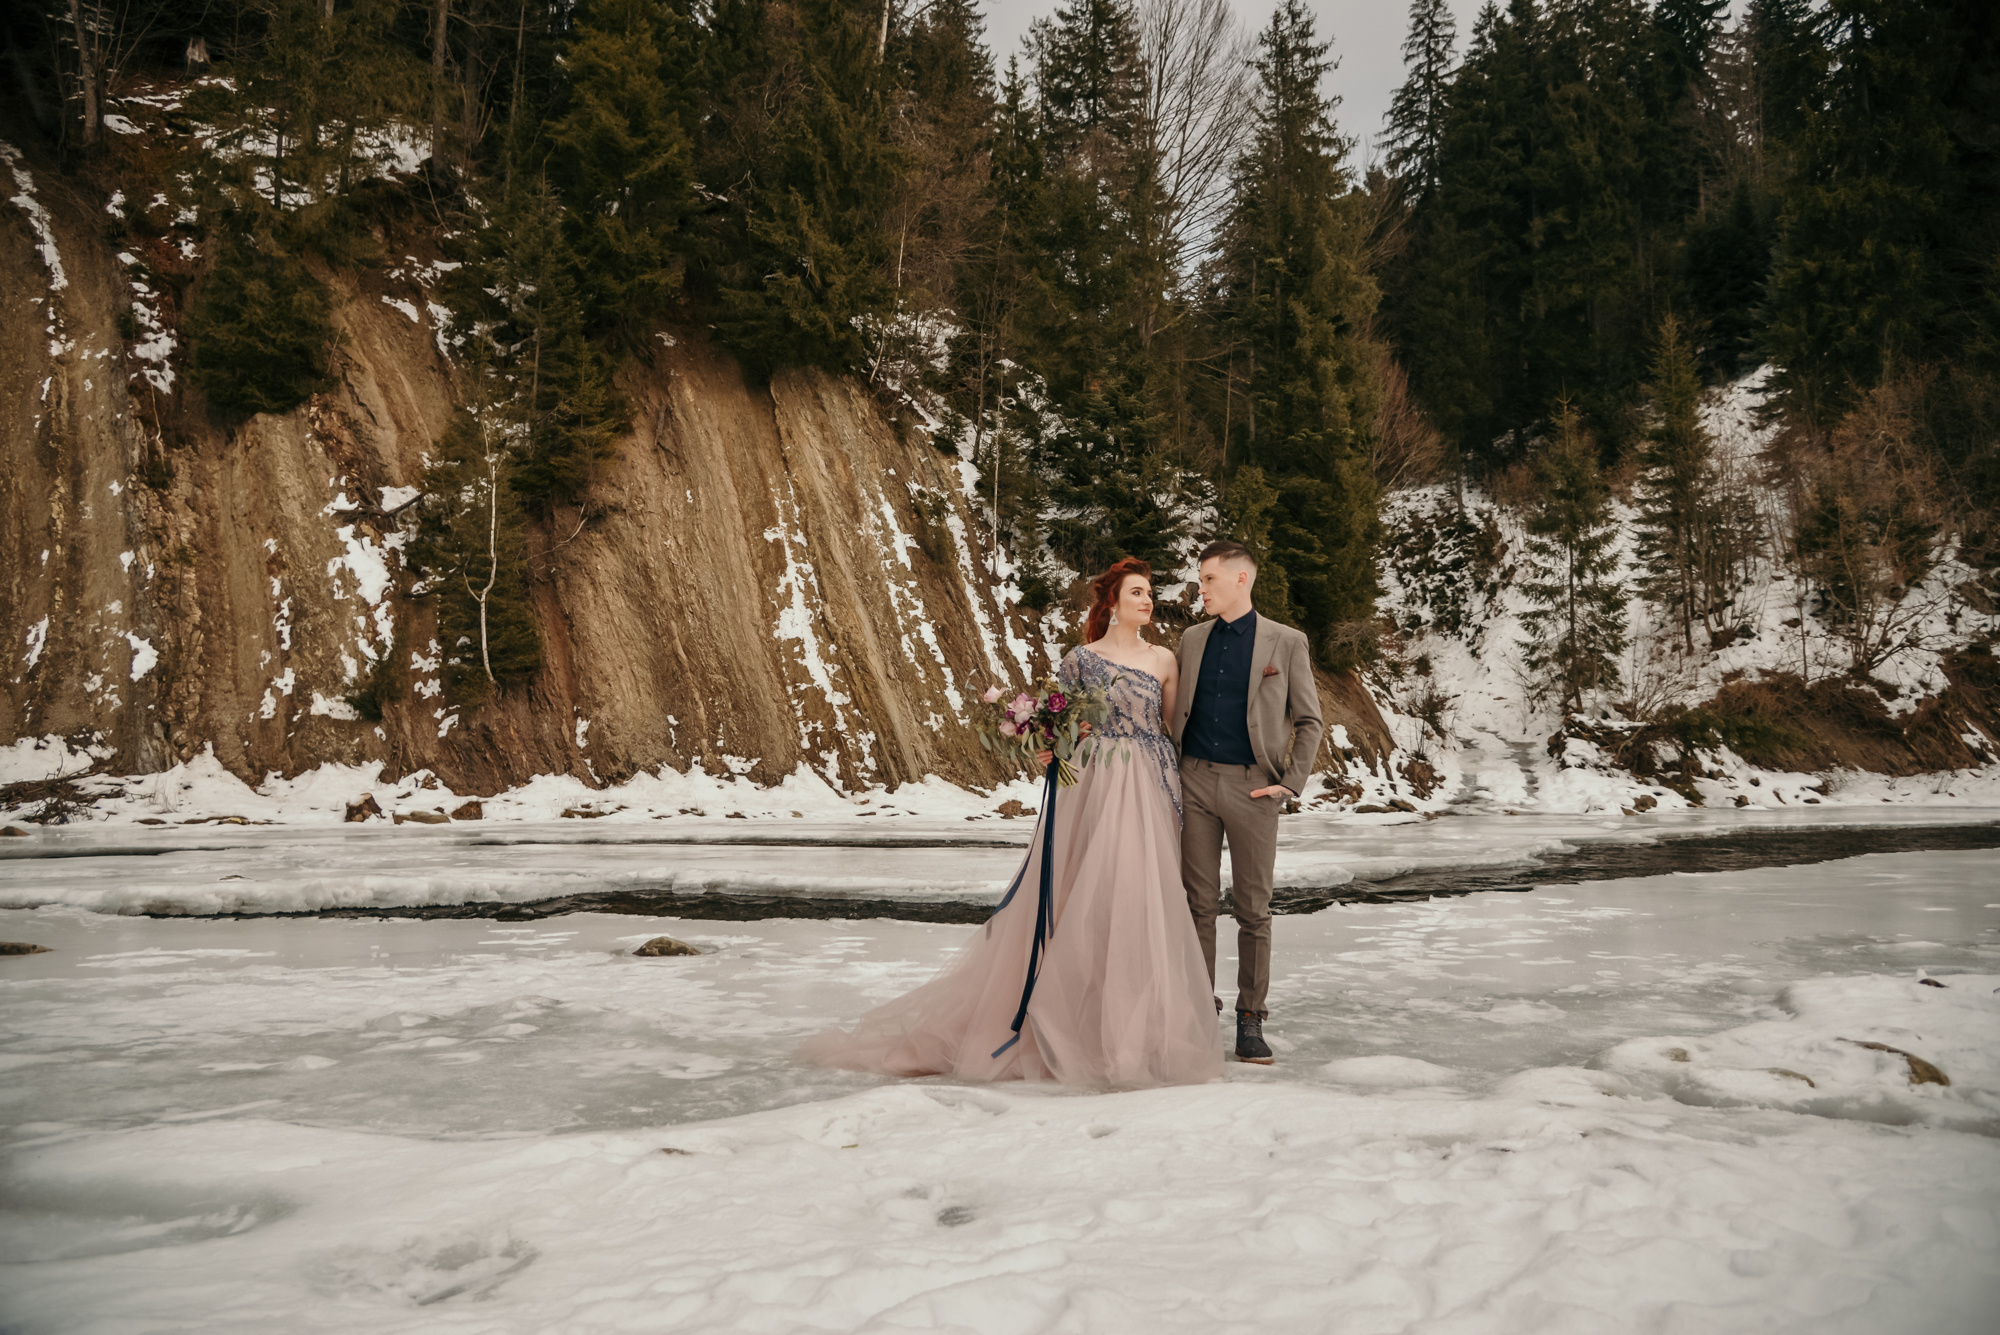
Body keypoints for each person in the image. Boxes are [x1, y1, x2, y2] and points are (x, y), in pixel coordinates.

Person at [800, 557, 1222, 1088]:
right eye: (1137, 592)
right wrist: (1048, 747)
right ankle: (1069, 1024)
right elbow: (1064, 725)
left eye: (1149, 592)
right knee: (1081, 892)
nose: (1148, 600)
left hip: (1149, 785)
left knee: (1139, 897)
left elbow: (1172, 728)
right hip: (1092, 785)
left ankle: (1137, 1031)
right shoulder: (1080, 659)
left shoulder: (1164, 658)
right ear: (1111, 603)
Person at [1168, 539, 1325, 1065]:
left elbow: (1309, 721)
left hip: (1254, 787)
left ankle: (1250, 1020)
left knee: (1253, 910)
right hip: (1194, 781)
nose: (1201, 588)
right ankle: (1196, 1012)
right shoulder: (1191, 639)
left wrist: (1291, 782)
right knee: (1198, 905)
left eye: (1208, 579)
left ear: (1241, 579)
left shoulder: (1286, 641)